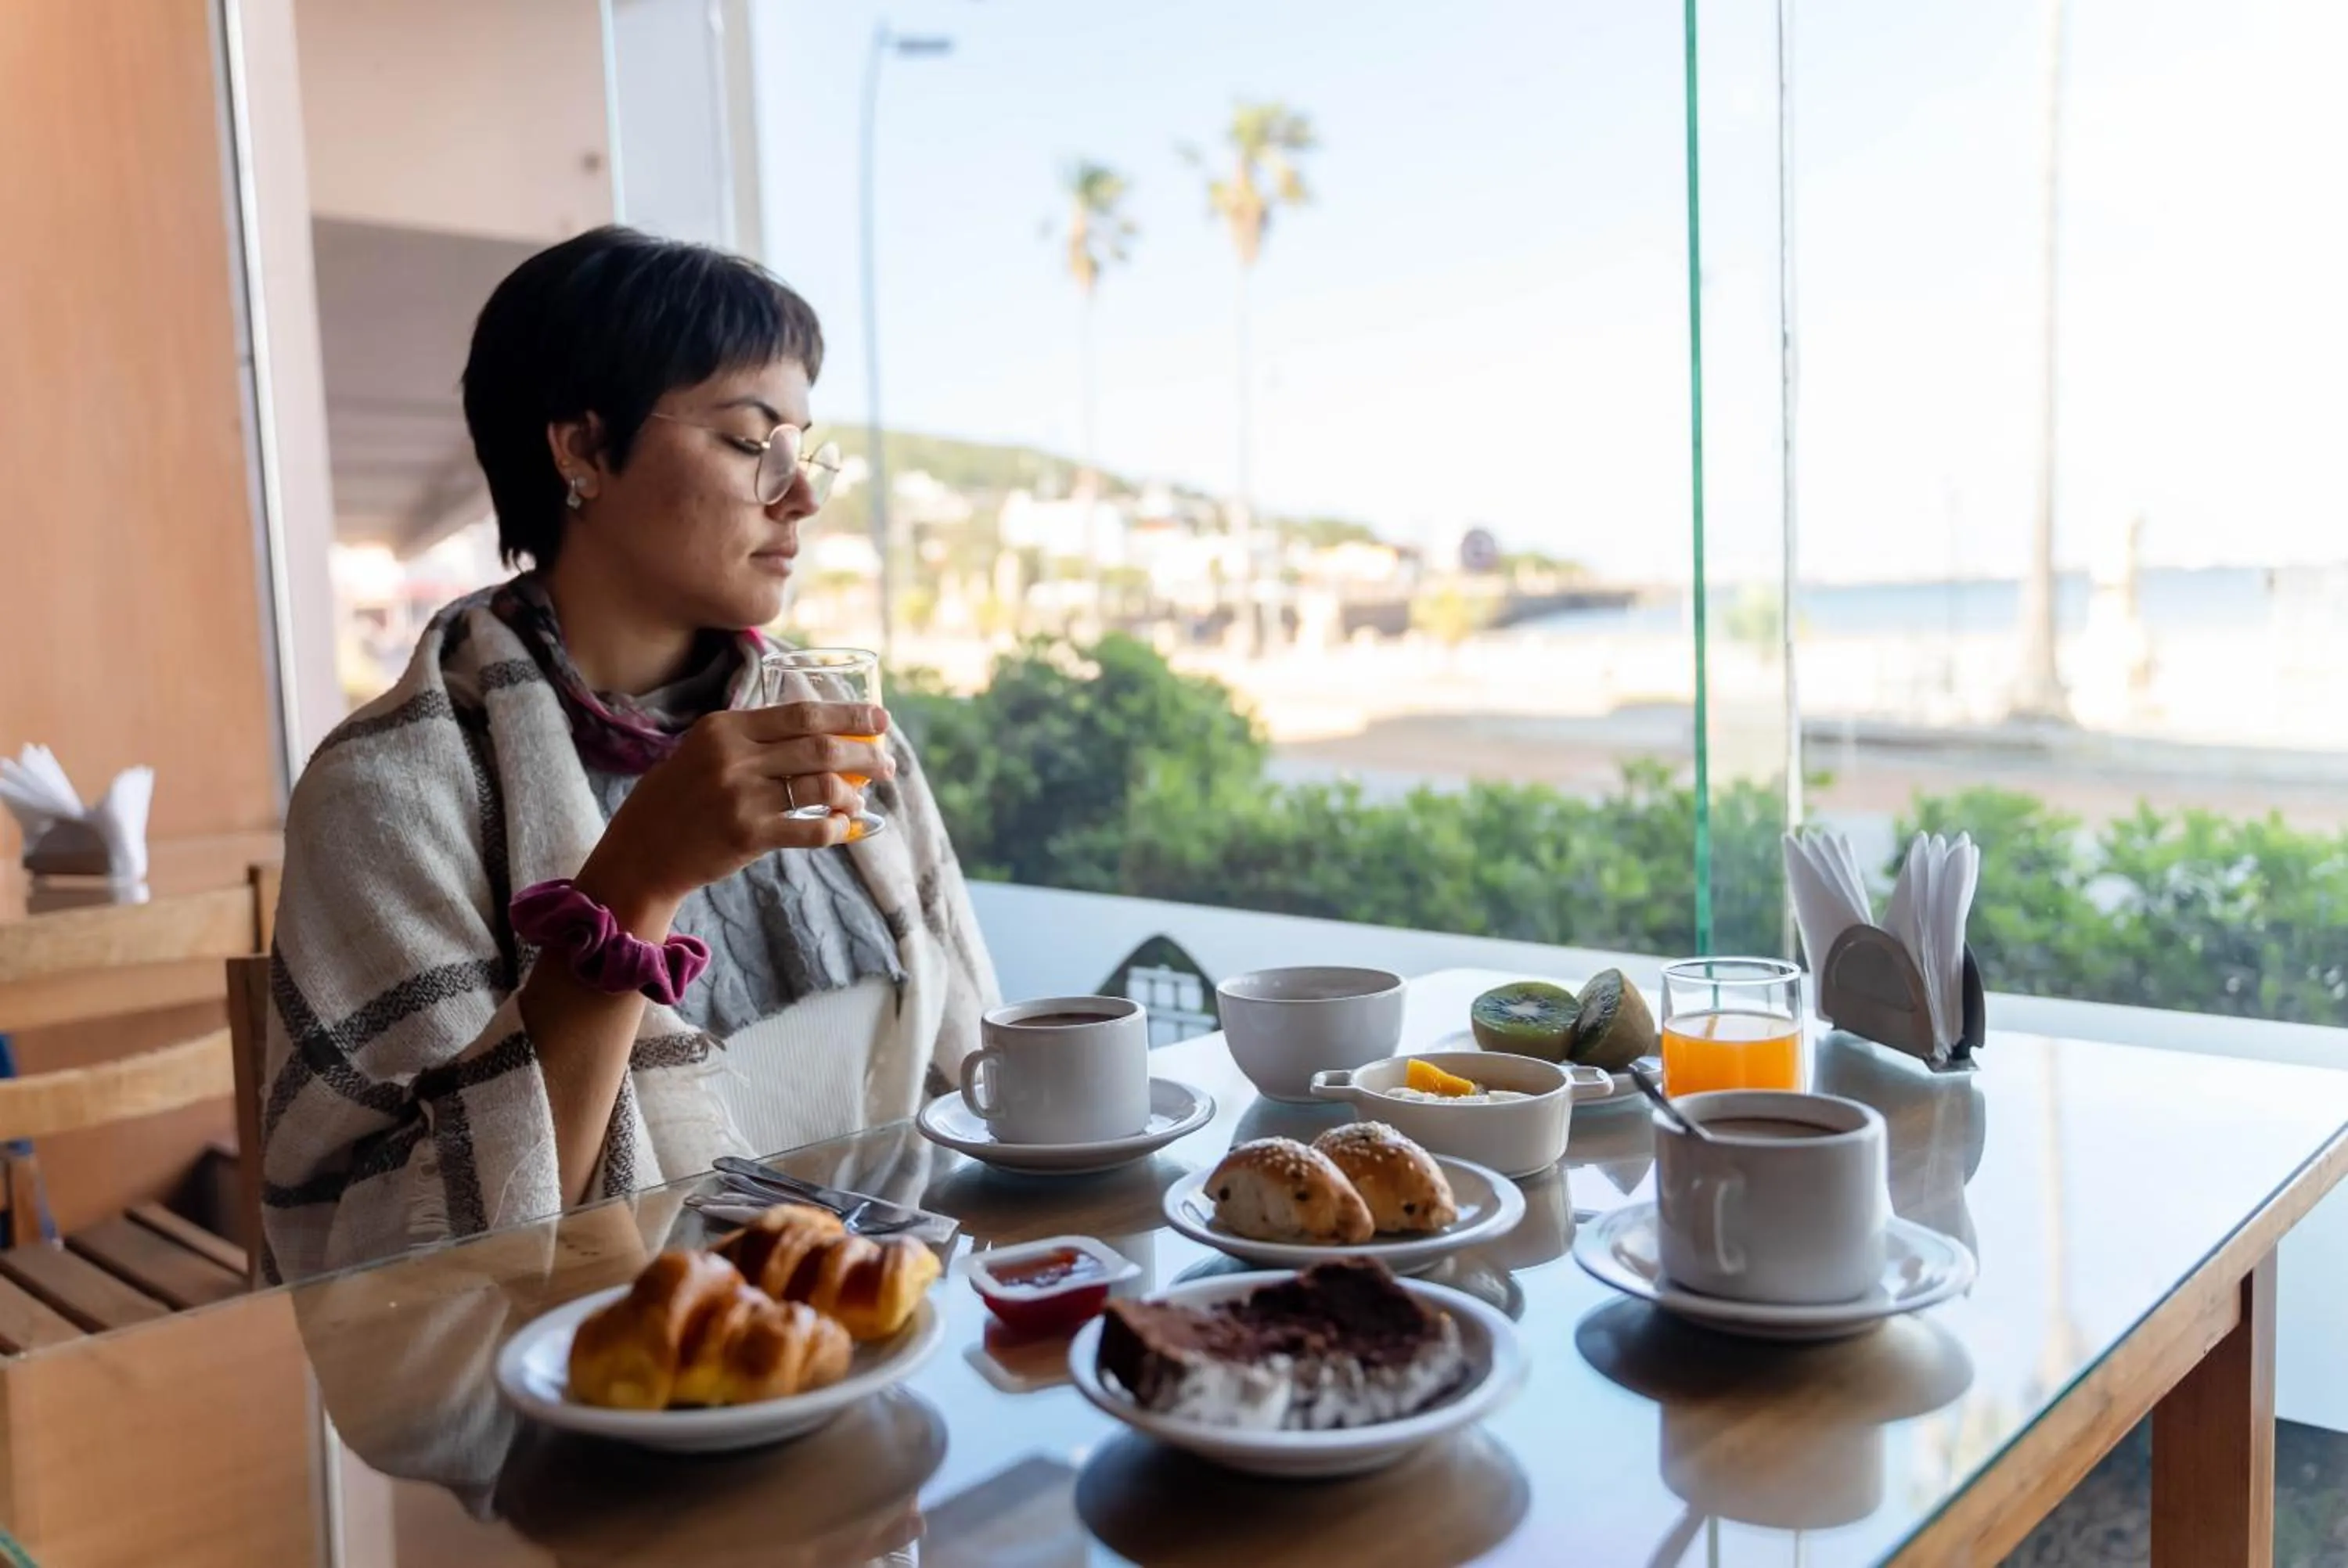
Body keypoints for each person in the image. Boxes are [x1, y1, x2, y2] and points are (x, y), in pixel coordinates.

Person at [260, 227, 998, 1282]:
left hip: (901, 1315)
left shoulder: (832, 730)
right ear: (583, 451)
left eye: (805, 448)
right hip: (608, 1361)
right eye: (750, 441)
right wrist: (633, 886)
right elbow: (399, 1268)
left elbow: (977, 1088)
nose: (801, 494)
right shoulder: (390, 793)